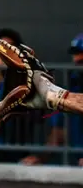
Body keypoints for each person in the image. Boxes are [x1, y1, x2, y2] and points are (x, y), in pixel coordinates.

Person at [18, 34, 83, 166]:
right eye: (76, 54)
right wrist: (41, 157)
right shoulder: (71, 85)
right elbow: (59, 132)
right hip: (73, 161)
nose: (78, 59)